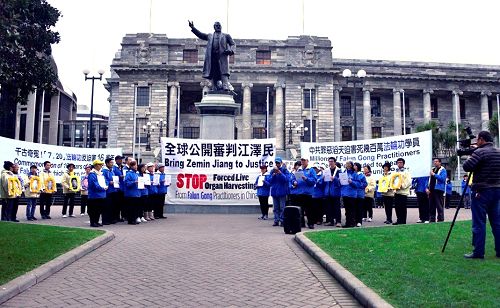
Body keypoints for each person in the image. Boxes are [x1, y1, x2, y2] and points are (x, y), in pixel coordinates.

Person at [462, 131, 500, 259]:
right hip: (497, 190)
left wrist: (472, 153)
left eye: (477, 140)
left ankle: (479, 252)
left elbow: (467, 166)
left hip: (482, 191)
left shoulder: (479, 152)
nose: (476, 142)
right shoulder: (498, 151)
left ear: (482, 140)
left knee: (479, 222)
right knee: (497, 222)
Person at [188, 20, 235, 91]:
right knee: (213, 71)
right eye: (217, 26)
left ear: (221, 27)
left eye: (219, 26)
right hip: (212, 57)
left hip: (222, 57)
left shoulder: (226, 36)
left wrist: (231, 50)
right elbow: (201, 35)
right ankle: (214, 86)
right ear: (214, 27)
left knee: (223, 71)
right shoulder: (210, 36)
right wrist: (193, 28)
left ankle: (225, 85)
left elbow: (233, 44)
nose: (218, 27)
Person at [291, 157, 316, 229]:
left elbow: (314, 181)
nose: (302, 162)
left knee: (309, 210)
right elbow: (293, 179)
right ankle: (301, 223)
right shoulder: (298, 169)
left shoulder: (311, 170)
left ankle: (311, 223)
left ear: (307, 161)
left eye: (304, 160)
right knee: (300, 210)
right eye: (301, 160)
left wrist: (306, 179)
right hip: (299, 192)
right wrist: (294, 182)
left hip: (308, 193)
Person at [268, 157, 289, 226]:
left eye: (278, 163)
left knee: (282, 208)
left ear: (281, 163)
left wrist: (280, 173)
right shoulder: (272, 171)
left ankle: (282, 220)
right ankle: (276, 220)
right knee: (276, 208)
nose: (277, 164)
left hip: (282, 191)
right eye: (276, 163)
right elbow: (269, 181)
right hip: (274, 192)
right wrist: (273, 175)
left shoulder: (285, 170)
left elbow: (286, 180)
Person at [87, 159, 108, 227]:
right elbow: (94, 184)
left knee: (99, 210)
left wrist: (106, 185)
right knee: (94, 210)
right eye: (99, 164)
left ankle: (96, 221)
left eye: (101, 164)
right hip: (94, 195)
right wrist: (103, 188)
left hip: (101, 195)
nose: (101, 166)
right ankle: (93, 222)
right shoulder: (92, 174)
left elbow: (105, 181)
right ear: (95, 165)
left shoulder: (101, 173)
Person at [392, 158, 412, 225]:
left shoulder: (406, 172)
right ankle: (398, 220)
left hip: (403, 192)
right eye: (398, 162)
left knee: (402, 207)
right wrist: (393, 186)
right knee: (397, 207)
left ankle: (403, 221)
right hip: (397, 192)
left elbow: (408, 181)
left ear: (403, 163)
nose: (399, 163)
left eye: (401, 162)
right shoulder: (395, 172)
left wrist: (402, 186)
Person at [426, 158, 447, 222]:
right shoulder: (432, 169)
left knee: (439, 205)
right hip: (431, 190)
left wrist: (434, 174)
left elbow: (442, 179)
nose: (435, 162)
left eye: (436, 161)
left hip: (438, 190)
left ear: (440, 162)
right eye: (434, 161)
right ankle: (432, 218)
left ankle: (440, 218)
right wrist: (427, 188)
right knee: (431, 205)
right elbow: (429, 180)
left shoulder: (443, 170)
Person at [323, 157, 342, 227]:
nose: (330, 163)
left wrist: (335, 179)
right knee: (329, 208)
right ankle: (330, 221)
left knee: (337, 208)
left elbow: (341, 182)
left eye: (331, 161)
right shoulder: (327, 170)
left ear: (335, 162)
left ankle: (338, 221)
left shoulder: (338, 171)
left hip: (335, 192)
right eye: (329, 161)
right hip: (328, 192)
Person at [340, 161, 357, 228]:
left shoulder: (354, 174)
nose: (346, 165)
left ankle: (352, 222)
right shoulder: (344, 173)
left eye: (348, 164)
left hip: (351, 194)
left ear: (351, 165)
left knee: (351, 209)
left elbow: (358, 184)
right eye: (346, 164)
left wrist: (352, 182)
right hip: (345, 193)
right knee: (347, 210)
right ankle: (348, 223)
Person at [124, 160, 140, 225]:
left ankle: (134, 219)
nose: (136, 167)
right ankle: (130, 220)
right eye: (135, 165)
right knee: (131, 208)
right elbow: (127, 183)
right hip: (130, 194)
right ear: (131, 166)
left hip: (136, 193)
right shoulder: (129, 174)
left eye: (136, 165)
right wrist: (134, 182)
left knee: (135, 208)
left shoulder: (137, 173)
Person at [102, 158, 118, 225]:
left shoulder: (112, 171)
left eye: (112, 162)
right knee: (107, 206)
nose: (112, 164)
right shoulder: (104, 171)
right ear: (107, 163)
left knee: (112, 206)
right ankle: (105, 220)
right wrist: (109, 182)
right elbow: (103, 180)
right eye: (111, 162)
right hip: (107, 191)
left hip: (113, 190)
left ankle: (111, 219)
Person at [352, 162, 367, 227]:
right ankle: (354, 220)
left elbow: (365, 184)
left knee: (359, 208)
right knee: (354, 208)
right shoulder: (352, 174)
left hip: (360, 194)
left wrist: (358, 185)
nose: (354, 167)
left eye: (355, 165)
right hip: (353, 194)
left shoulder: (361, 175)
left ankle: (359, 221)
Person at [112, 155, 125, 221]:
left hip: (122, 188)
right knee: (116, 204)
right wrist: (120, 176)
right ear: (116, 160)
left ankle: (120, 217)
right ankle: (115, 217)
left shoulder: (122, 167)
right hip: (117, 188)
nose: (121, 161)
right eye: (119, 159)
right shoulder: (114, 168)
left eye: (121, 159)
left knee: (121, 204)